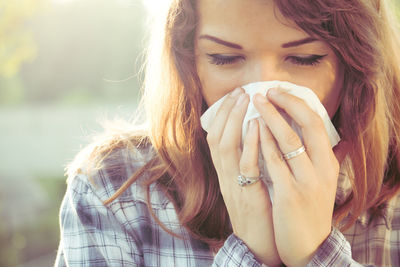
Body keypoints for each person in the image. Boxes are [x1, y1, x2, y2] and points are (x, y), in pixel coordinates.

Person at [55, 0, 400, 266]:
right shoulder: (113, 191)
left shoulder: (392, 200)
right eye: (224, 58)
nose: (261, 94)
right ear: (189, 61)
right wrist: (250, 254)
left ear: (355, 63)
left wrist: (315, 253)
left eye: (305, 58)